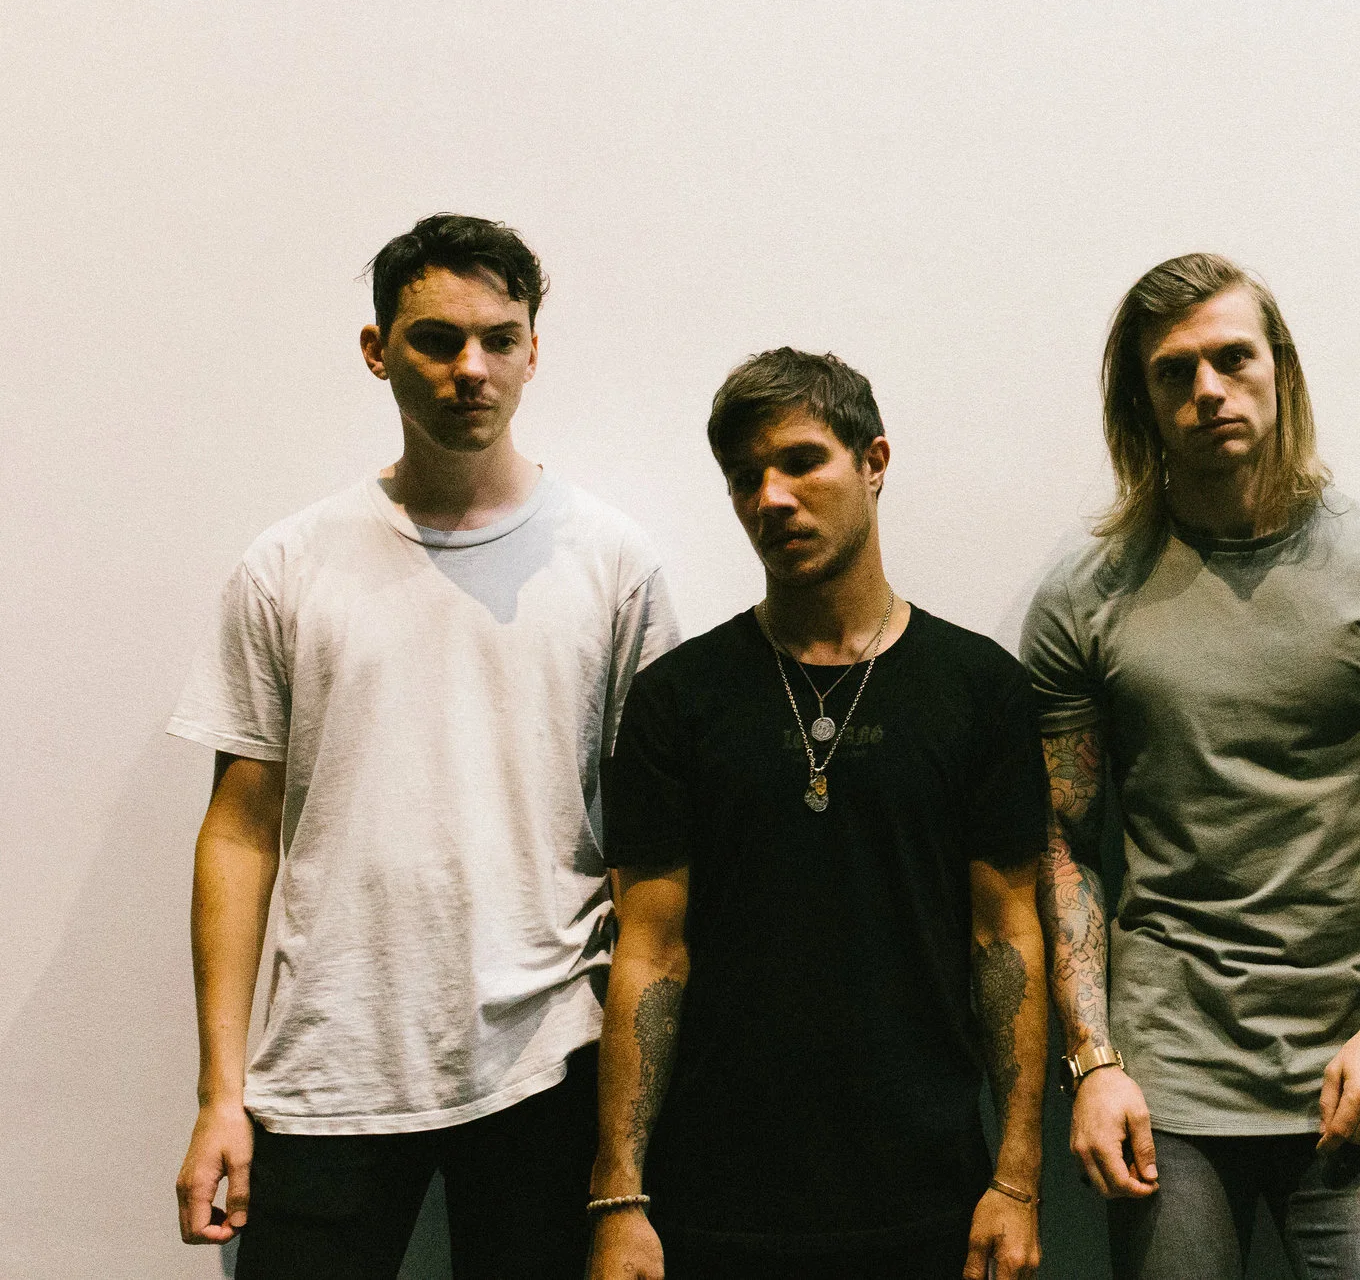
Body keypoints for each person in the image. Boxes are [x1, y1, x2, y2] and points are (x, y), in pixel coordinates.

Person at [168, 214, 679, 1276]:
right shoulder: (289, 564)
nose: (470, 368)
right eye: (437, 340)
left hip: (548, 1059)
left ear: (533, 350)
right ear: (377, 350)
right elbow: (239, 833)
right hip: (331, 1060)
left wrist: (630, 1143)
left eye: (499, 338)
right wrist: (220, 1092)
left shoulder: (612, 561)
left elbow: (652, 858)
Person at [1024, 252, 1360, 1280]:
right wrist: (1092, 1063)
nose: (1208, 389)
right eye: (1174, 371)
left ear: (1280, 369)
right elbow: (1063, 839)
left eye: (1232, 358)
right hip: (1167, 1082)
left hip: (1357, 1070)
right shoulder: (1085, 599)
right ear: (1141, 401)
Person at [589, 347, 1049, 1280]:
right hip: (715, 1205)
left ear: (874, 462)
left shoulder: (980, 690)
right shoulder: (678, 699)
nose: (771, 498)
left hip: (929, 1199)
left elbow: (1006, 937)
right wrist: (619, 1196)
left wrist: (1017, 1178)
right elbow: (650, 951)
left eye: (802, 461)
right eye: (744, 477)